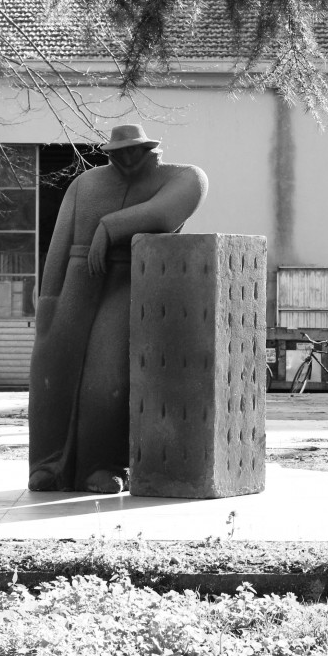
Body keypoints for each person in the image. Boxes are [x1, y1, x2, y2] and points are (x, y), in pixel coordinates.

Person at [27, 124, 208, 493]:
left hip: (129, 278)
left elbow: (166, 212)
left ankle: (102, 463)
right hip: (76, 281)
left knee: (107, 373)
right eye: (118, 152)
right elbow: (60, 241)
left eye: (133, 151)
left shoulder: (183, 176)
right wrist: (48, 298)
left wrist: (110, 226)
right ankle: (48, 464)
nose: (125, 158)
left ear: (148, 150)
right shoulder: (88, 183)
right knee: (53, 370)